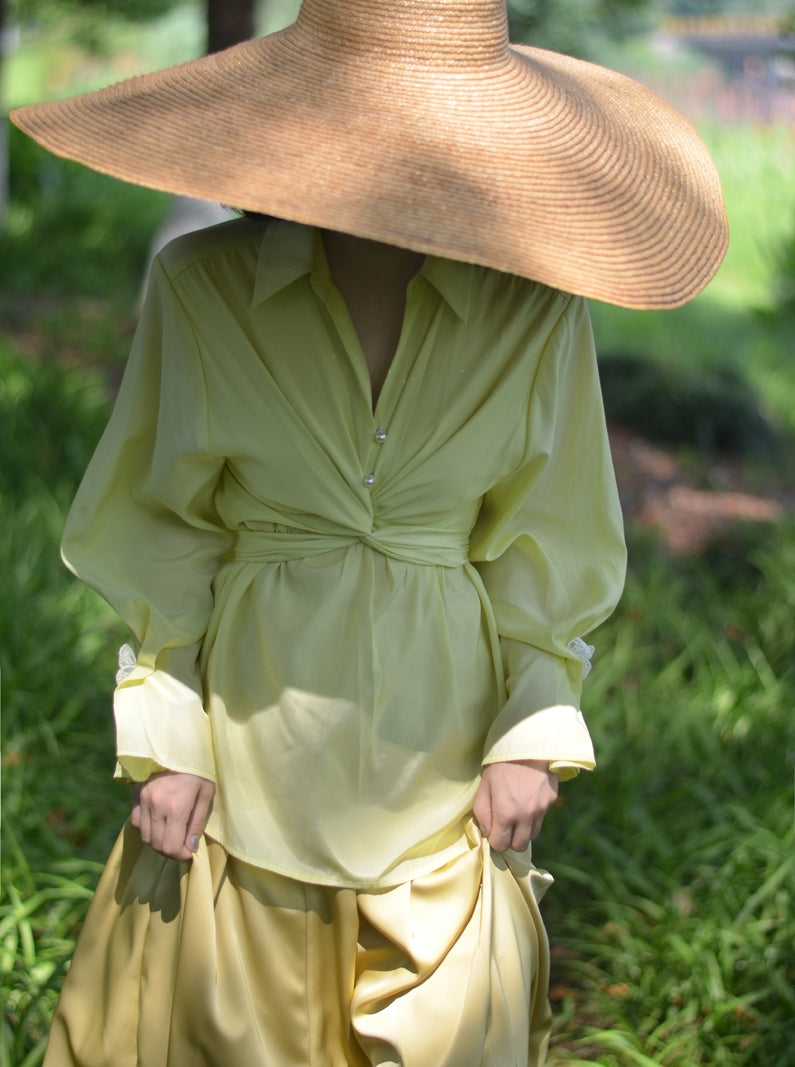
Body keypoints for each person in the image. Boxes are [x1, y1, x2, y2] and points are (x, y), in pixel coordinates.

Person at [10, 1, 728, 1064]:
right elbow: (160, 527)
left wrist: (532, 730)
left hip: (444, 797)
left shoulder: (536, 314)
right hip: (240, 779)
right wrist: (167, 731)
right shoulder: (203, 289)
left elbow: (550, 542)